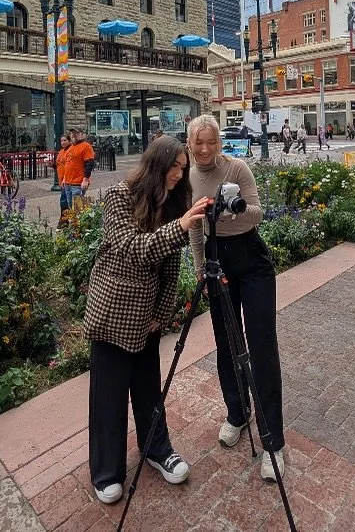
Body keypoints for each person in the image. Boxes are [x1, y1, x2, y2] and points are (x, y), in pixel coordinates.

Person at [83, 136, 211, 504]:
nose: (179, 174)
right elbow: (133, 249)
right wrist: (181, 226)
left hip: (147, 317)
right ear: (157, 165)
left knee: (148, 389)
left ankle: (156, 448)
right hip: (114, 311)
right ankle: (106, 470)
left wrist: (162, 312)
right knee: (108, 397)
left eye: (183, 169)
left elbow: (170, 269)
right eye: (175, 167)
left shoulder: (173, 203)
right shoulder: (118, 196)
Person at [187, 115, 285, 482]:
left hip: (252, 260)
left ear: (219, 142)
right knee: (227, 344)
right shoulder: (190, 177)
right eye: (199, 142)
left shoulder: (238, 168)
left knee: (261, 346)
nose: (206, 149)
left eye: (211, 141)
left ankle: (273, 440)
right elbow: (195, 227)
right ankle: (237, 411)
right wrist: (199, 267)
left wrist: (233, 210)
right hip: (216, 262)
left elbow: (258, 214)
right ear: (190, 143)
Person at [62, 127, 94, 208]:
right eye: (72, 133)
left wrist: (85, 180)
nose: (74, 135)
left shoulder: (86, 146)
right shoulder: (71, 147)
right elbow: (67, 163)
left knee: (77, 207)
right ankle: (74, 220)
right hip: (68, 182)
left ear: (82, 134)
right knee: (70, 205)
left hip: (77, 183)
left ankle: (77, 220)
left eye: (76, 133)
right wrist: (65, 178)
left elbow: (89, 164)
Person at [54, 133, 71, 228]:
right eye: (61, 140)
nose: (63, 142)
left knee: (65, 202)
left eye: (65, 140)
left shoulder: (70, 150)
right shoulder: (61, 151)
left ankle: (64, 221)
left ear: (69, 141)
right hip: (62, 181)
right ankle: (65, 221)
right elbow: (59, 164)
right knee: (64, 202)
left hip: (68, 180)